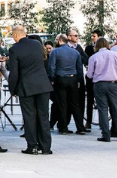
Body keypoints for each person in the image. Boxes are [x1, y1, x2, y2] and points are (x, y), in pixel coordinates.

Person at [8, 25, 53, 155]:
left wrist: (13, 90)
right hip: (43, 85)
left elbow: (14, 73)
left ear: (15, 35)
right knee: (44, 116)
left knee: (29, 117)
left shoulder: (14, 50)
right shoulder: (37, 44)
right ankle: (46, 147)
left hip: (26, 87)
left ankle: (32, 146)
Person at [87, 37, 117, 142]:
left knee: (103, 110)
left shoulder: (93, 57)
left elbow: (89, 74)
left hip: (99, 85)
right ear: (107, 44)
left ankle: (106, 135)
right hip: (113, 84)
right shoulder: (115, 55)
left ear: (97, 45)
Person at [47, 34, 87, 135]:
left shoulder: (55, 52)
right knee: (75, 104)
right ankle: (80, 127)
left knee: (62, 104)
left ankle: (63, 127)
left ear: (60, 41)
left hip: (60, 78)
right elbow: (79, 68)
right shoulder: (75, 52)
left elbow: (52, 67)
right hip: (73, 78)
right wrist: (79, 80)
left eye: (56, 40)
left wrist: (52, 78)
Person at [67, 28, 89, 128]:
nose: (77, 37)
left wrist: (78, 56)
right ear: (69, 37)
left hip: (78, 77)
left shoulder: (78, 48)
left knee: (79, 102)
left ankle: (80, 125)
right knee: (66, 102)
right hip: (67, 78)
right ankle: (64, 124)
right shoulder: (64, 47)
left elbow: (86, 59)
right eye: (75, 35)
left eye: (77, 35)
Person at [85, 30, 102, 130]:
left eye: (94, 36)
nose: (92, 38)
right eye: (91, 36)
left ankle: (102, 121)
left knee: (101, 101)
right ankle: (88, 121)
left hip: (99, 76)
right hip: (91, 76)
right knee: (90, 100)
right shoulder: (88, 48)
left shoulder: (104, 48)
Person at [41, 40, 58, 131]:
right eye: (46, 48)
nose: (48, 50)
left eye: (49, 48)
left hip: (52, 83)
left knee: (55, 102)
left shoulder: (54, 57)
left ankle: (52, 122)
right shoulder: (44, 59)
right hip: (46, 83)